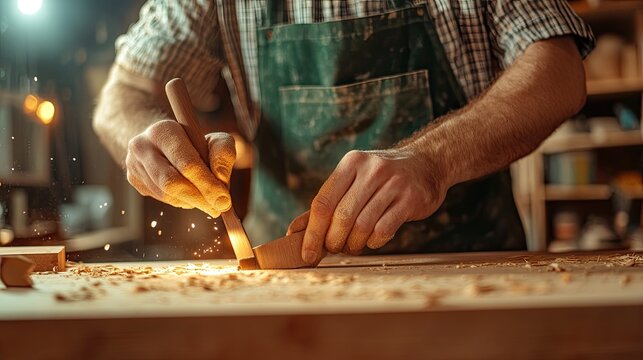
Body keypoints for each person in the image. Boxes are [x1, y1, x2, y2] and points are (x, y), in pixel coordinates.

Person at [94, 0, 594, 264]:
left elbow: (559, 70)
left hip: (468, 265)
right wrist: (148, 139)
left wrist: (433, 159)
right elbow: (121, 99)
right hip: (283, 284)